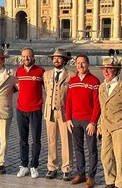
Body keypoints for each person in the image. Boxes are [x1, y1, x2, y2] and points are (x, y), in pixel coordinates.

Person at [97, 53, 122, 188]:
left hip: (119, 126)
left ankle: (119, 183)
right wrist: (100, 124)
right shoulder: (101, 87)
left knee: (120, 157)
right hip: (106, 125)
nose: (106, 71)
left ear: (117, 71)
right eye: (104, 69)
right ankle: (110, 181)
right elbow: (102, 107)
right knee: (105, 156)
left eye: (109, 68)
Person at [66, 54, 100, 188]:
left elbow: (97, 104)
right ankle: (81, 173)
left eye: (83, 63)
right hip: (75, 119)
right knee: (78, 148)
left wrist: (93, 122)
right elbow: (68, 101)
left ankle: (91, 176)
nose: (80, 65)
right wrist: (68, 118)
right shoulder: (72, 81)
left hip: (88, 120)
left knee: (91, 149)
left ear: (88, 64)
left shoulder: (94, 81)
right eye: (78, 63)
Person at [43, 49, 75, 181]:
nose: (56, 60)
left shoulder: (71, 75)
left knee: (66, 140)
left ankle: (66, 168)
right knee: (51, 139)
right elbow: (47, 90)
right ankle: (52, 167)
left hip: (65, 113)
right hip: (50, 111)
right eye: (54, 58)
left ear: (65, 60)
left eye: (59, 58)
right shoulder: (46, 74)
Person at [15, 47, 45, 179]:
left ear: (33, 57)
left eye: (28, 56)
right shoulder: (18, 71)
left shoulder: (40, 71)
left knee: (36, 139)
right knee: (23, 139)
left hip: (35, 110)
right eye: (24, 56)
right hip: (21, 109)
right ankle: (24, 165)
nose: (26, 58)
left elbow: (48, 89)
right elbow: (15, 86)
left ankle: (34, 166)